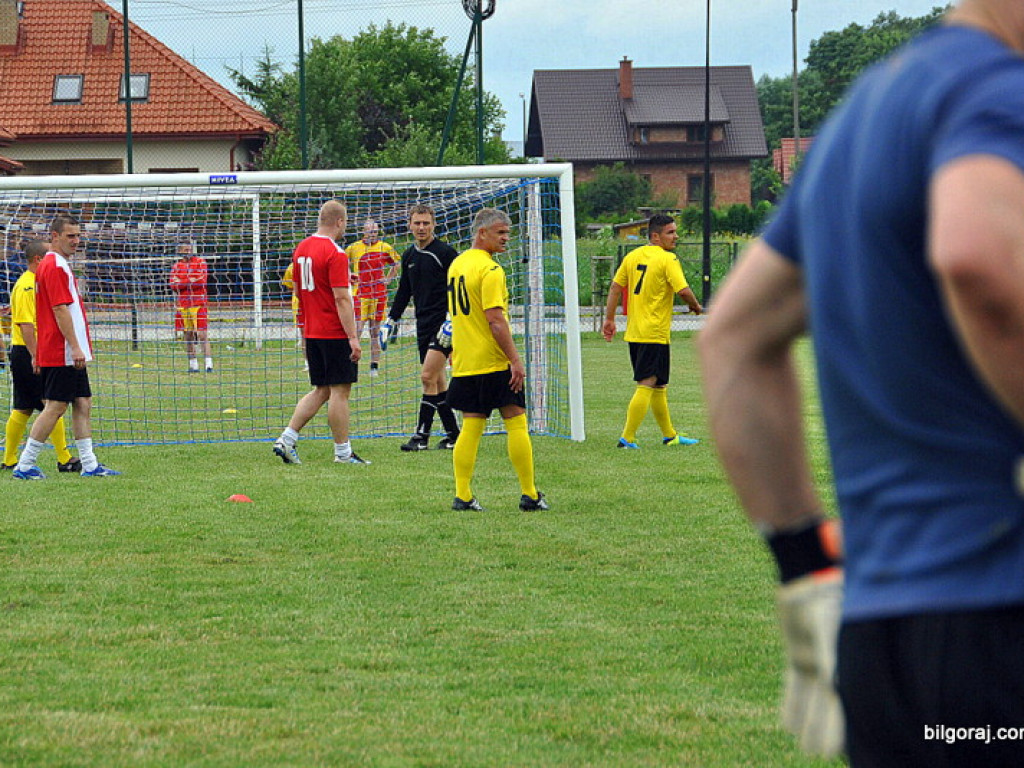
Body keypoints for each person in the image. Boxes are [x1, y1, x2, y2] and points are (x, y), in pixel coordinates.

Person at [699, 2, 1024, 764]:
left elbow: (733, 339)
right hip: (1002, 616)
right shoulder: (995, 90)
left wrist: (805, 567)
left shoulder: (865, 113)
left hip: (881, 641)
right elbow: (977, 255)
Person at [446, 208, 547, 512]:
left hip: (466, 360)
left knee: (472, 425)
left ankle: (462, 495)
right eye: (501, 232)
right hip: (492, 360)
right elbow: (495, 321)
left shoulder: (457, 264)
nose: (506, 238)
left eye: (508, 233)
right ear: (482, 233)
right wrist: (514, 360)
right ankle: (530, 494)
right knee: (516, 421)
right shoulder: (490, 270)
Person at [13, 213, 120, 479]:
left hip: (66, 350)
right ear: (54, 236)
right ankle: (25, 465)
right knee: (55, 407)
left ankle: (90, 463)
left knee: (83, 402)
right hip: (62, 351)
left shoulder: (55, 263)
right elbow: (60, 309)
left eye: (78, 235)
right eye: (70, 236)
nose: (76, 241)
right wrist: (74, 346)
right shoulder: (55, 266)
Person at [273, 199, 369, 466]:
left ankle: (286, 440)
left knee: (321, 390)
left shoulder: (302, 248)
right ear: (340, 222)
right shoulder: (336, 252)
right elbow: (341, 299)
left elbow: (303, 288)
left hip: (312, 330)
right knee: (340, 391)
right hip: (333, 331)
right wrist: (352, 337)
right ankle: (343, 453)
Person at [602, 213, 702, 449]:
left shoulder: (632, 256)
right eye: (670, 232)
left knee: (658, 384)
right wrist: (695, 306)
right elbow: (684, 290)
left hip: (636, 332)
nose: (675, 236)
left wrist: (609, 319)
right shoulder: (667, 259)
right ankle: (627, 438)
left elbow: (616, 287)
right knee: (647, 382)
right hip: (654, 332)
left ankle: (670, 436)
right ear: (655, 236)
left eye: (675, 231)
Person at [381, 204, 461, 451]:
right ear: (410, 225)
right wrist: (391, 319)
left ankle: (420, 436)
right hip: (423, 324)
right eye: (417, 223)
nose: (422, 227)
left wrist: (452, 317)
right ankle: (454, 435)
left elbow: (460, 286)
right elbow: (404, 291)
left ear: (434, 224)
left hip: (444, 325)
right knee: (437, 380)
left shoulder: (446, 253)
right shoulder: (408, 256)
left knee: (427, 377)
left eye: (426, 223)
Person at [2, 240, 80, 473]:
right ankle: (64, 458)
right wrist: (36, 356)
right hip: (29, 351)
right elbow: (26, 325)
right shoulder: (27, 286)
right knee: (54, 403)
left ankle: (9, 459)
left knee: (24, 407)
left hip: (26, 352)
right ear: (38, 259)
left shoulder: (34, 282)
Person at [347, 218, 397, 376]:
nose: (372, 234)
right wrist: (349, 275)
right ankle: (350, 363)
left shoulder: (385, 247)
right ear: (364, 232)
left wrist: (388, 279)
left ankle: (374, 366)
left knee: (375, 332)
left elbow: (396, 264)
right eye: (370, 231)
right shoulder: (354, 248)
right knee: (357, 329)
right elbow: (340, 262)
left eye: (375, 231)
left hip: (379, 294)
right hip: (361, 294)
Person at [169, 241, 213, 372]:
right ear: (180, 251)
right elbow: (173, 285)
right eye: (185, 250)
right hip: (183, 305)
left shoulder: (200, 262)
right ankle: (193, 365)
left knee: (202, 334)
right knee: (187, 335)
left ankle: (208, 364)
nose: (188, 252)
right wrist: (190, 280)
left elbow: (201, 281)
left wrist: (182, 281)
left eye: (190, 249)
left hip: (198, 303)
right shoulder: (177, 266)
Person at [281, 260, 306, 367]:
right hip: (307, 302)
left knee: (305, 335)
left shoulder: (293, 266)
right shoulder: (293, 266)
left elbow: (289, 286)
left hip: (301, 302)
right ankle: (309, 362)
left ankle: (308, 362)